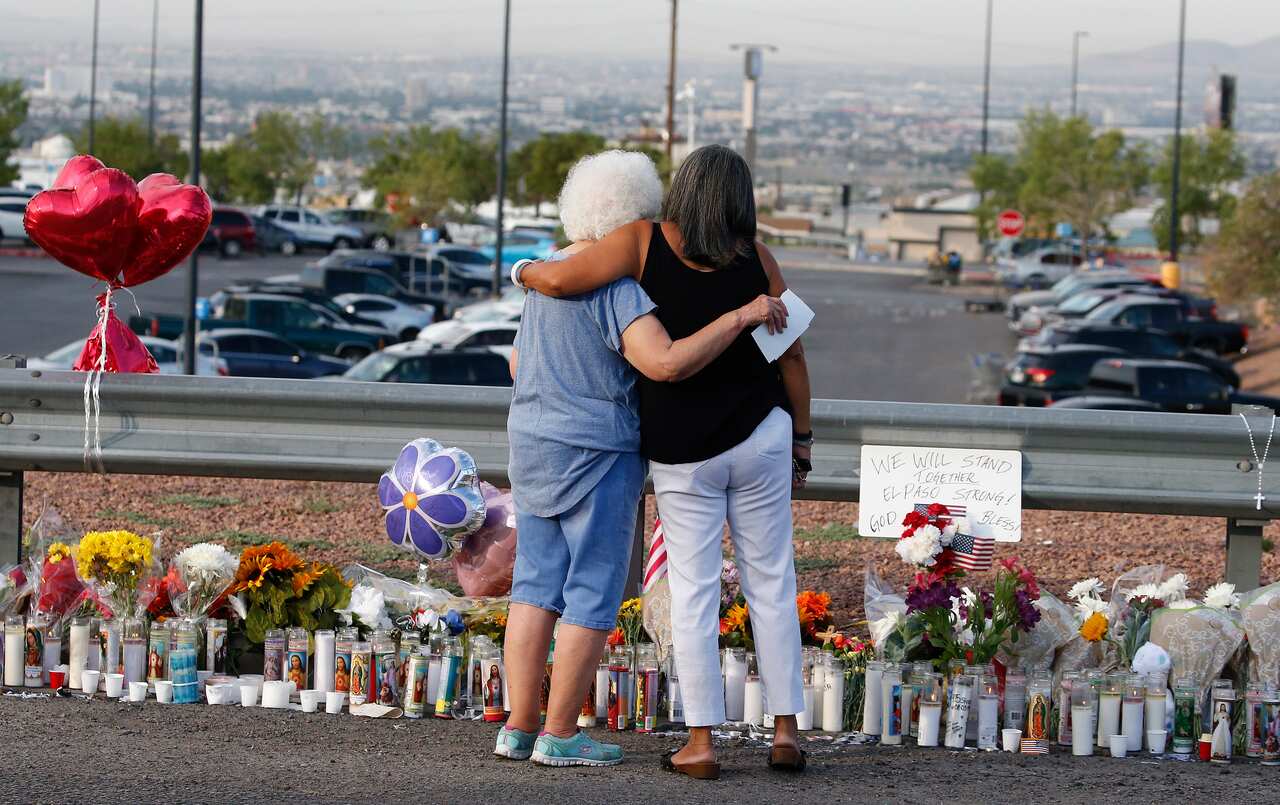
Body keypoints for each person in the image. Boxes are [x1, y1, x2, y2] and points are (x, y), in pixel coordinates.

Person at [517, 144, 812, 779]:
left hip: (684, 450)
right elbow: (791, 355)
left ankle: (702, 743)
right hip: (761, 435)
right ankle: (785, 732)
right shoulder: (759, 259)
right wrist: (803, 439)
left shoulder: (643, 242)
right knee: (772, 582)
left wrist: (524, 274)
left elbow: (563, 278)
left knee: (695, 594)